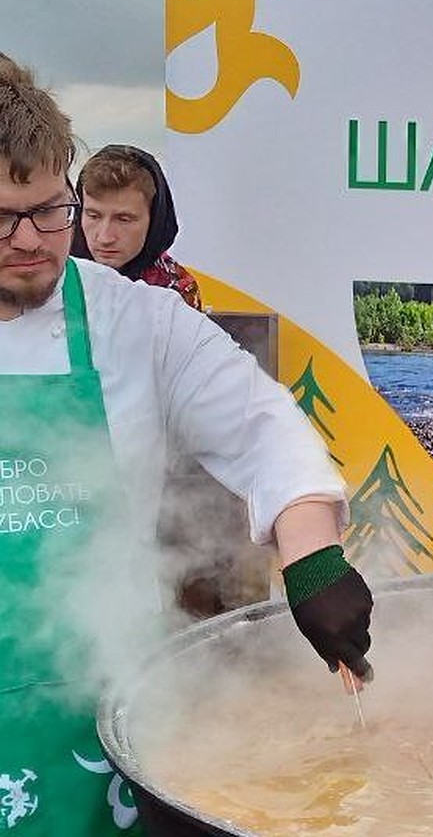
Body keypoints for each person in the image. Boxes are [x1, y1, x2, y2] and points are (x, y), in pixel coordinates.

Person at [0, 60, 373, 834]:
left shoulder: (135, 320)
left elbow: (263, 425)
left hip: (98, 706)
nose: (32, 241)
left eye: (50, 211)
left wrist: (311, 555)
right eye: (3, 217)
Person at [72, 143, 202, 309]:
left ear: (155, 220)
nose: (105, 237)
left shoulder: (175, 290)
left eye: (124, 219)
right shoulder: (54, 279)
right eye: (93, 216)